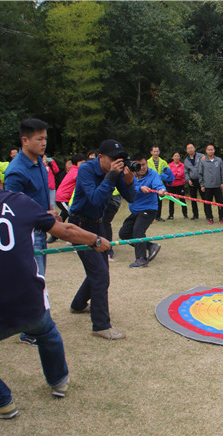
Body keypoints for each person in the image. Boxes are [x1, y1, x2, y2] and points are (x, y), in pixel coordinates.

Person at [0, 155, 110, 418]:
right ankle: (59, 381)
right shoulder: (20, 201)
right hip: (30, 308)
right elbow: (67, 231)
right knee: (46, 329)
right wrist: (97, 240)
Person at [68, 139, 135, 340]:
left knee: (100, 269)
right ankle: (101, 326)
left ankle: (78, 304)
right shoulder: (86, 170)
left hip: (99, 224)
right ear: (100, 157)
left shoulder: (116, 171)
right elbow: (96, 198)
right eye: (113, 158)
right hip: (80, 224)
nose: (117, 162)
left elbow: (131, 198)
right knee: (99, 273)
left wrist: (129, 181)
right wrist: (112, 175)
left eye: (120, 159)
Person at [4, 119, 56, 346]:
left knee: (38, 278)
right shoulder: (16, 171)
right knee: (34, 280)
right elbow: (12, 209)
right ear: (24, 140)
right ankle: (30, 331)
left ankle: (36, 323)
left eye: (45, 138)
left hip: (41, 229)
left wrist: (50, 212)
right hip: (28, 233)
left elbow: (40, 196)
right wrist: (44, 214)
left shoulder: (39, 163)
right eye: (39, 139)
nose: (44, 143)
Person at [119, 154, 167, 268]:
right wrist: (140, 188)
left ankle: (141, 259)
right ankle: (151, 246)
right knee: (124, 233)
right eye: (139, 165)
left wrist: (161, 190)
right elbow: (126, 187)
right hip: (136, 210)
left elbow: (158, 185)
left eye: (144, 164)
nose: (142, 167)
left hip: (149, 209)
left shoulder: (152, 174)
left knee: (138, 231)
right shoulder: (130, 175)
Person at [55, 153, 86, 223]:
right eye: (82, 163)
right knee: (73, 215)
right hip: (62, 198)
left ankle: (55, 228)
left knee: (64, 215)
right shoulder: (76, 171)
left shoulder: (74, 170)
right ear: (77, 163)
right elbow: (80, 180)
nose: (84, 165)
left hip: (65, 198)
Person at [199, 144, 223, 225]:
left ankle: (221, 217)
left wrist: (222, 182)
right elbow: (200, 174)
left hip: (217, 185)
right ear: (206, 151)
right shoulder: (203, 161)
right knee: (207, 203)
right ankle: (210, 218)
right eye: (209, 150)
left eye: (212, 149)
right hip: (207, 186)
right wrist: (202, 184)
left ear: (214, 150)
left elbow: (222, 172)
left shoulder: (219, 160)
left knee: (220, 202)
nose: (210, 151)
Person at [147, 146, 170, 222]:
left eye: (157, 151)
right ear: (151, 152)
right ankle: (149, 217)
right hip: (150, 184)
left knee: (159, 201)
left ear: (159, 152)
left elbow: (168, 172)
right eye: (154, 151)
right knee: (150, 201)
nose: (156, 153)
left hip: (160, 184)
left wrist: (164, 176)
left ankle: (158, 216)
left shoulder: (163, 162)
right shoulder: (147, 162)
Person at [43, 154, 60, 242]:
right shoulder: (40, 166)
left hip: (52, 187)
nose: (46, 159)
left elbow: (56, 170)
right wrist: (43, 163)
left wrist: (52, 162)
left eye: (47, 158)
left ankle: (54, 223)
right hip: (44, 187)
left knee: (52, 205)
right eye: (44, 158)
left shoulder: (50, 167)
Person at [184, 143, 203, 220]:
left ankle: (208, 215)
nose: (190, 149)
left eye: (191, 148)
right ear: (186, 150)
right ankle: (195, 215)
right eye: (188, 148)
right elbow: (186, 172)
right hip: (192, 181)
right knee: (193, 198)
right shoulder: (186, 160)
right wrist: (188, 180)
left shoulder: (201, 156)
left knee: (204, 198)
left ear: (194, 148)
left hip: (201, 180)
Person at [167, 151, 188, 219]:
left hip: (180, 185)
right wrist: (176, 176)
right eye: (175, 156)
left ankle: (185, 215)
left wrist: (176, 176)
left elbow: (184, 175)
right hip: (171, 185)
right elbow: (168, 175)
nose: (176, 157)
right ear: (172, 157)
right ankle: (171, 215)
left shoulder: (183, 165)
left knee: (182, 200)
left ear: (180, 157)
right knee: (171, 201)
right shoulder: (169, 165)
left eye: (178, 156)